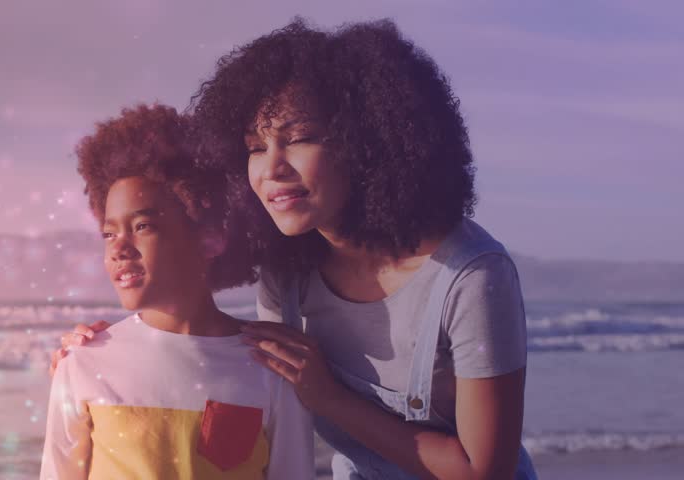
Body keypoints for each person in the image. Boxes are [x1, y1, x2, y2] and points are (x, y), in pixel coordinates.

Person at [54, 19, 537, 480]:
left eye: (299, 139)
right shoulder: (287, 274)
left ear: (365, 142)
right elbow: (231, 354)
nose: (272, 168)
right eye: (255, 147)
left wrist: (331, 399)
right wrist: (104, 350)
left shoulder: (470, 277)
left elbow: (482, 471)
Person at [40, 104, 314, 479]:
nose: (118, 248)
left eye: (142, 227)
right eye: (109, 233)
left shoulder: (270, 370)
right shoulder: (83, 363)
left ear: (212, 238)